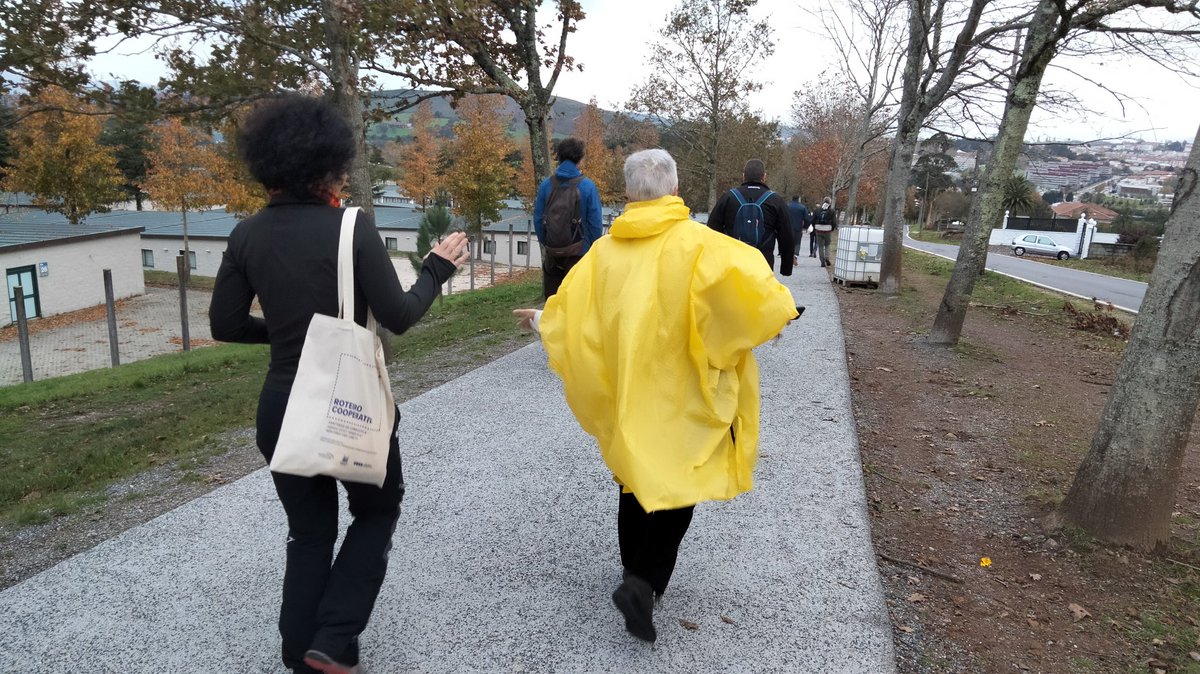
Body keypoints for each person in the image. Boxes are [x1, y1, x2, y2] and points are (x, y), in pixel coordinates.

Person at [208, 95, 469, 674]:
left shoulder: (245, 234)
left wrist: (285, 334)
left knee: (308, 533)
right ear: (326, 164)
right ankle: (333, 637)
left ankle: (303, 654)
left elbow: (224, 325)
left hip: (281, 411)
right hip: (350, 404)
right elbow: (397, 315)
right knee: (376, 511)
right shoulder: (353, 228)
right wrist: (437, 269)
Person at [513, 149, 797, 643]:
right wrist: (774, 319)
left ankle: (634, 574)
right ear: (673, 187)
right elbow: (759, 295)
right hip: (684, 392)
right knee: (679, 483)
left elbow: (575, 318)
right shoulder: (703, 245)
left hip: (628, 392)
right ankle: (642, 584)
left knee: (633, 476)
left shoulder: (603, 253)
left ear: (627, 194)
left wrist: (540, 320)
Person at [532, 136, 604, 298]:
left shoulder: (546, 185)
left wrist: (549, 242)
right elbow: (595, 224)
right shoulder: (587, 186)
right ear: (580, 159)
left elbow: (538, 219)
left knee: (552, 303)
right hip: (579, 254)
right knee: (577, 304)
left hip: (552, 255)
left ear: (560, 157)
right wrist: (591, 250)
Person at [705, 159, 794, 276]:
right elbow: (787, 236)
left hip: (732, 264)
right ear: (764, 176)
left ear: (743, 176)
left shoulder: (728, 198)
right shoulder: (775, 200)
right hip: (763, 264)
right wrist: (786, 269)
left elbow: (711, 231)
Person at [812, 196, 837, 268]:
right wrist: (832, 228)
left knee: (820, 246)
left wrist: (815, 227)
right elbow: (834, 222)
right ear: (830, 202)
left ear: (823, 201)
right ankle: (827, 257)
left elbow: (813, 220)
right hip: (827, 230)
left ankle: (822, 261)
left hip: (818, 230)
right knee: (827, 245)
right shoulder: (832, 211)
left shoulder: (817, 210)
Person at [787, 195, 811, 267]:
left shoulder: (787, 206)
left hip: (788, 228)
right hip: (798, 228)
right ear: (799, 199)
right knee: (797, 242)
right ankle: (795, 255)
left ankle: (788, 256)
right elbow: (807, 219)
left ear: (792, 198)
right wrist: (805, 227)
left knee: (789, 242)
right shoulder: (802, 207)